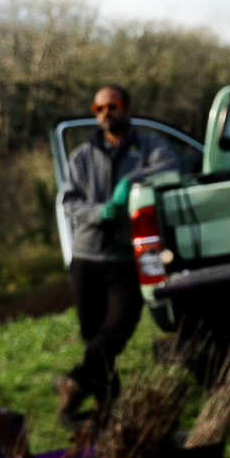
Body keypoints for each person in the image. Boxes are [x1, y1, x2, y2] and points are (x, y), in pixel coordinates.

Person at [56, 84, 178, 425]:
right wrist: (100, 212)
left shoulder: (148, 146)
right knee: (94, 338)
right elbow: (70, 200)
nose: (105, 113)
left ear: (127, 108)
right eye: (98, 109)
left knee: (118, 329)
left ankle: (75, 382)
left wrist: (133, 180)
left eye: (112, 106)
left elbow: (170, 168)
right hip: (88, 259)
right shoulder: (82, 156)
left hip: (126, 259)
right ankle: (108, 413)